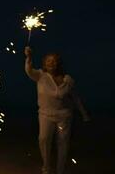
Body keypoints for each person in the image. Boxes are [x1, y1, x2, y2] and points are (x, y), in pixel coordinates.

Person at [24, 46, 90, 174]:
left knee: (63, 143)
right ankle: (46, 167)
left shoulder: (68, 80)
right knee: (43, 139)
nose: (51, 63)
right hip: (45, 115)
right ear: (44, 63)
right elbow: (28, 70)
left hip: (64, 116)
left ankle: (60, 169)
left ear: (58, 63)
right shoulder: (40, 75)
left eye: (54, 61)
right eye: (48, 60)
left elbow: (75, 98)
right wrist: (29, 57)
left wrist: (84, 113)